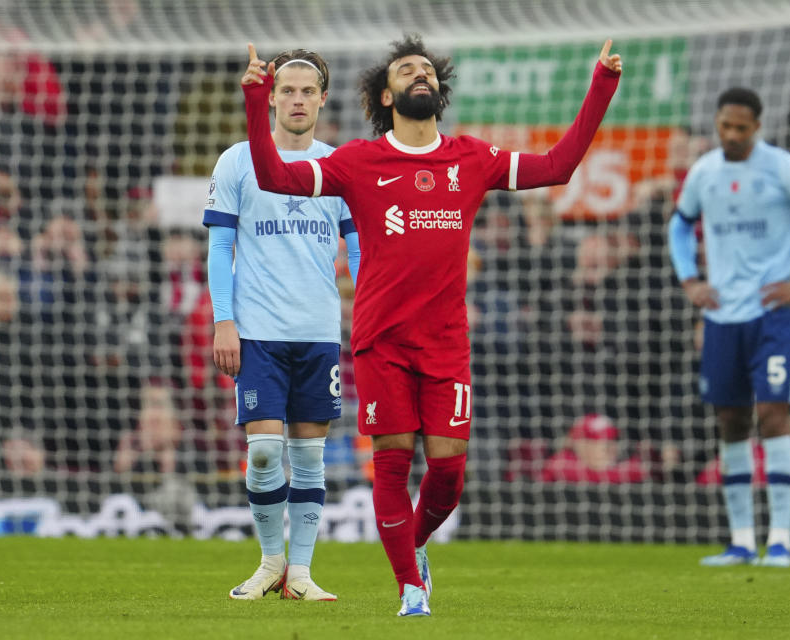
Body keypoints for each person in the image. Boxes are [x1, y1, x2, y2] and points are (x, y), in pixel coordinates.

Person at [242, 34, 622, 616]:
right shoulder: (356, 161)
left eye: (426, 69)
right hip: (381, 343)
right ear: (385, 95)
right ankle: (409, 589)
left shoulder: (472, 158)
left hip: (446, 344)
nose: (419, 74)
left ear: (438, 89)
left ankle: (414, 543)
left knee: (447, 473)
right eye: (405, 70)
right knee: (392, 461)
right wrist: (256, 100)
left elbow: (559, 166)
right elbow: (273, 177)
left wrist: (601, 85)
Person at [668, 87, 790, 568]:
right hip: (723, 315)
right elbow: (679, 225)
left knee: (773, 414)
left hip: (773, 314)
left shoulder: (783, 168)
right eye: (724, 126)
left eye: (741, 128)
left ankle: (780, 540)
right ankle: (742, 541)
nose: (730, 135)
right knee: (731, 421)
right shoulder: (704, 172)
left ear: (757, 126)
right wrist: (691, 280)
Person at [205, 48, 360, 602]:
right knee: (266, 452)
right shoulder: (237, 161)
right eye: (286, 90)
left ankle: (300, 574)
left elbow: (359, 247)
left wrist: (364, 310)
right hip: (258, 332)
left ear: (322, 98)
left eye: (307, 91)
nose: (296, 99)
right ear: (269, 96)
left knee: (310, 456)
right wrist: (224, 321)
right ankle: (270, 560)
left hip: (319, 331)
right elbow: (219, 245)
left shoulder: (338, 164)